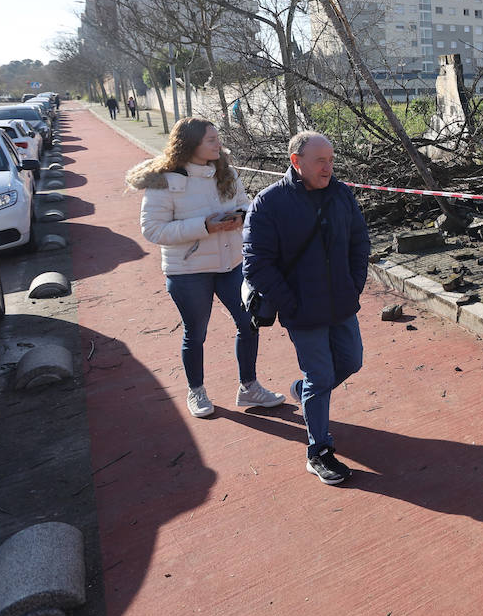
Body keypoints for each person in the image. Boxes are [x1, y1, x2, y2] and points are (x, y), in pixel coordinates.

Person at [127, 117, 286, 418]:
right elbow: (153, 230)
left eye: (217, 138)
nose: (218, 144)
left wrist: (242, 215)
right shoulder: (164, 179)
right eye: (211, 140)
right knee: (195, 333)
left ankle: (249, 387)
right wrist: (204, 227)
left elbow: (247, 203)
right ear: (190, 144)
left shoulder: (225, 170)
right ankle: (196, 390)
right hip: (187, 271)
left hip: (232, 263)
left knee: (250, 322)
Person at [244, 131, 368, 485]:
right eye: (320, 161)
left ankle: (304, 393)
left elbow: (360, 242)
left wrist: (353, 283)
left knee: (351, 361)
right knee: (321, 375)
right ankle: (318, 451)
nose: (328, 167)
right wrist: (290, 303)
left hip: (342, 303)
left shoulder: (342, 194)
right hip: (302, 310)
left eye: (331, 160)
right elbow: (255, 263)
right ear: (296, 162)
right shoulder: (269, 203)